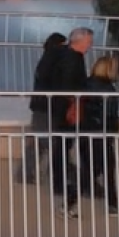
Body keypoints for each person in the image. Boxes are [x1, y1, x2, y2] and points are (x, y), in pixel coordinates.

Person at [46, 27, 92, 218]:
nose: (90, 45)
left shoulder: (67, 55)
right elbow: (69, 86)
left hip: (63, 109)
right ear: (79, 42)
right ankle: (63, 184)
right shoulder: (73, 59)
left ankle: (61, 182)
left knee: (63, 146)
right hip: (68, 110)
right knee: (64, 145)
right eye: (89, 41)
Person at [79, 55, 119, 214]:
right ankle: (70, 201)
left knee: (96, 170)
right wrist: (113, 131)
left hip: (86, 131)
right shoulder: (107, 90)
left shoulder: (86, 83)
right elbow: (109, 115)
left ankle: (113, 204)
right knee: (101, 170)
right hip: (101, 134)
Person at [16, 32, 67, 184]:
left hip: (40, 106)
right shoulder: (55, 62)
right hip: (47, 108)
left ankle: (26, 174)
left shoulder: (46, 60)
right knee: (49, 142)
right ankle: (53, 173)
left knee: (38, 142)